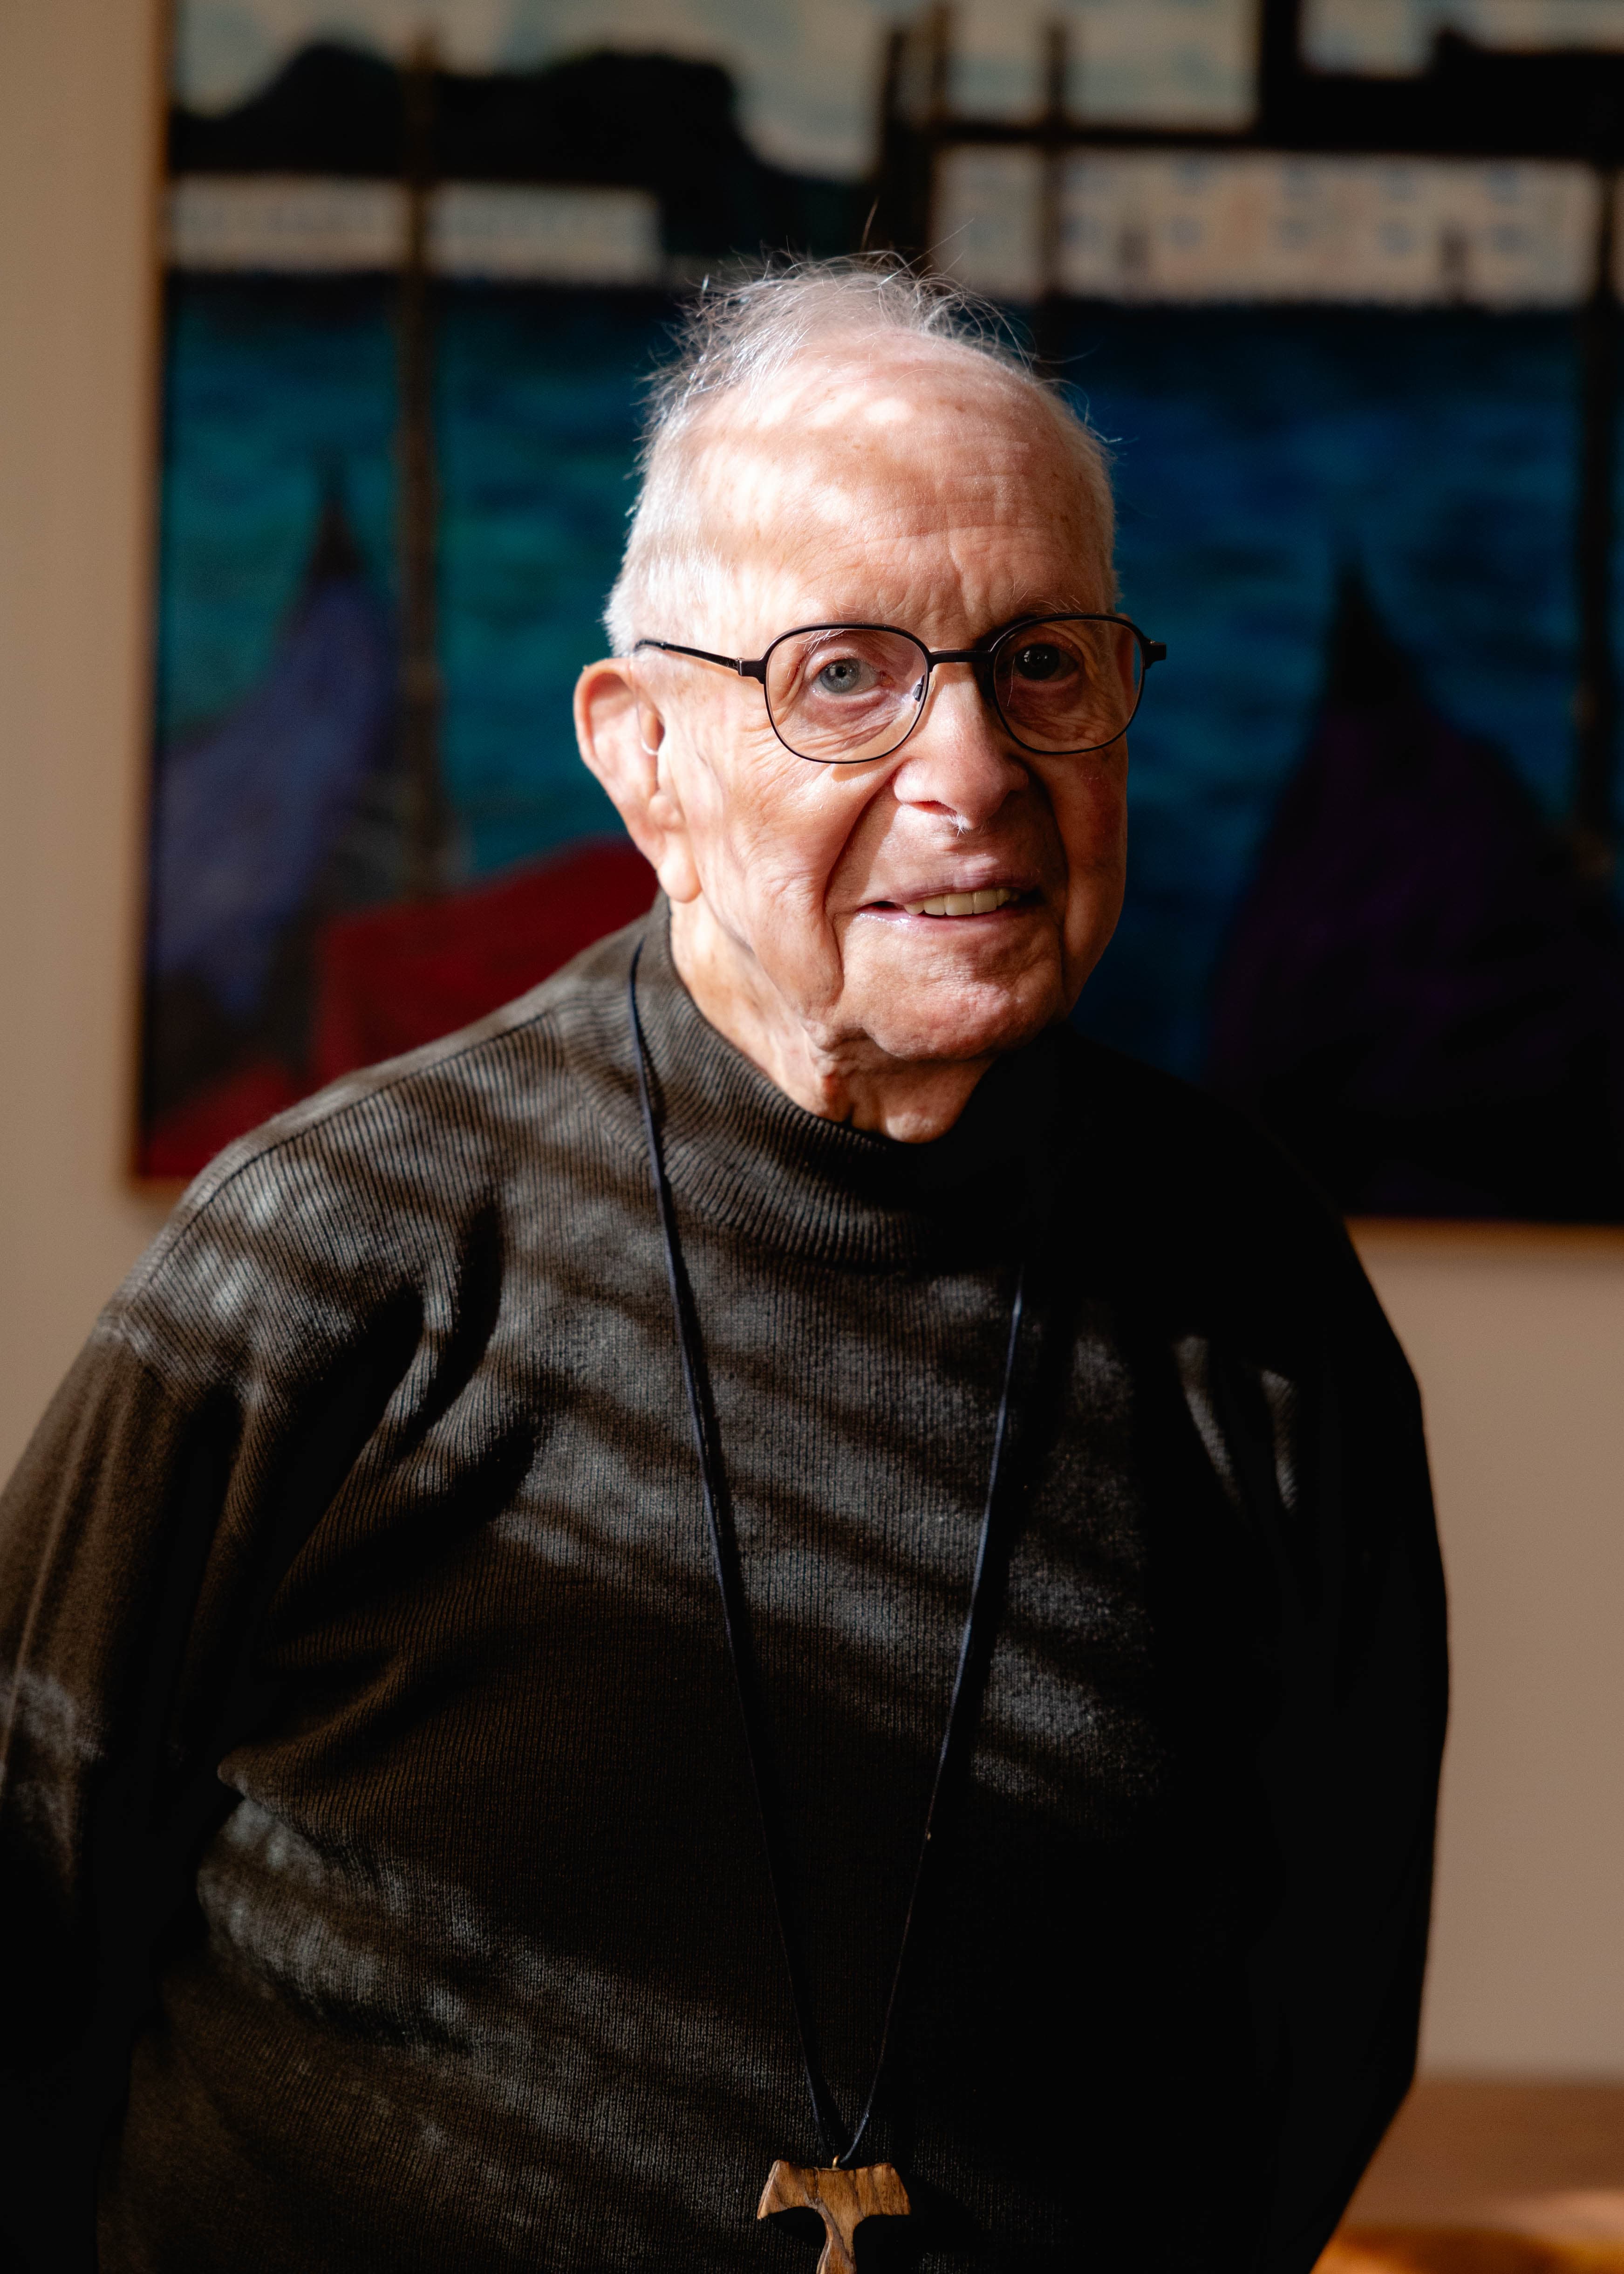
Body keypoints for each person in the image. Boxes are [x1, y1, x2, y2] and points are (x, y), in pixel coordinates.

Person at [0, 260, 1445, 2274]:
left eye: (1042, 661)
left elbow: (1318, 2033)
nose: (969, 769)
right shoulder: (322, 1260)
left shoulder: (1255, 1290)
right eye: (844, 673)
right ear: (644, 755)